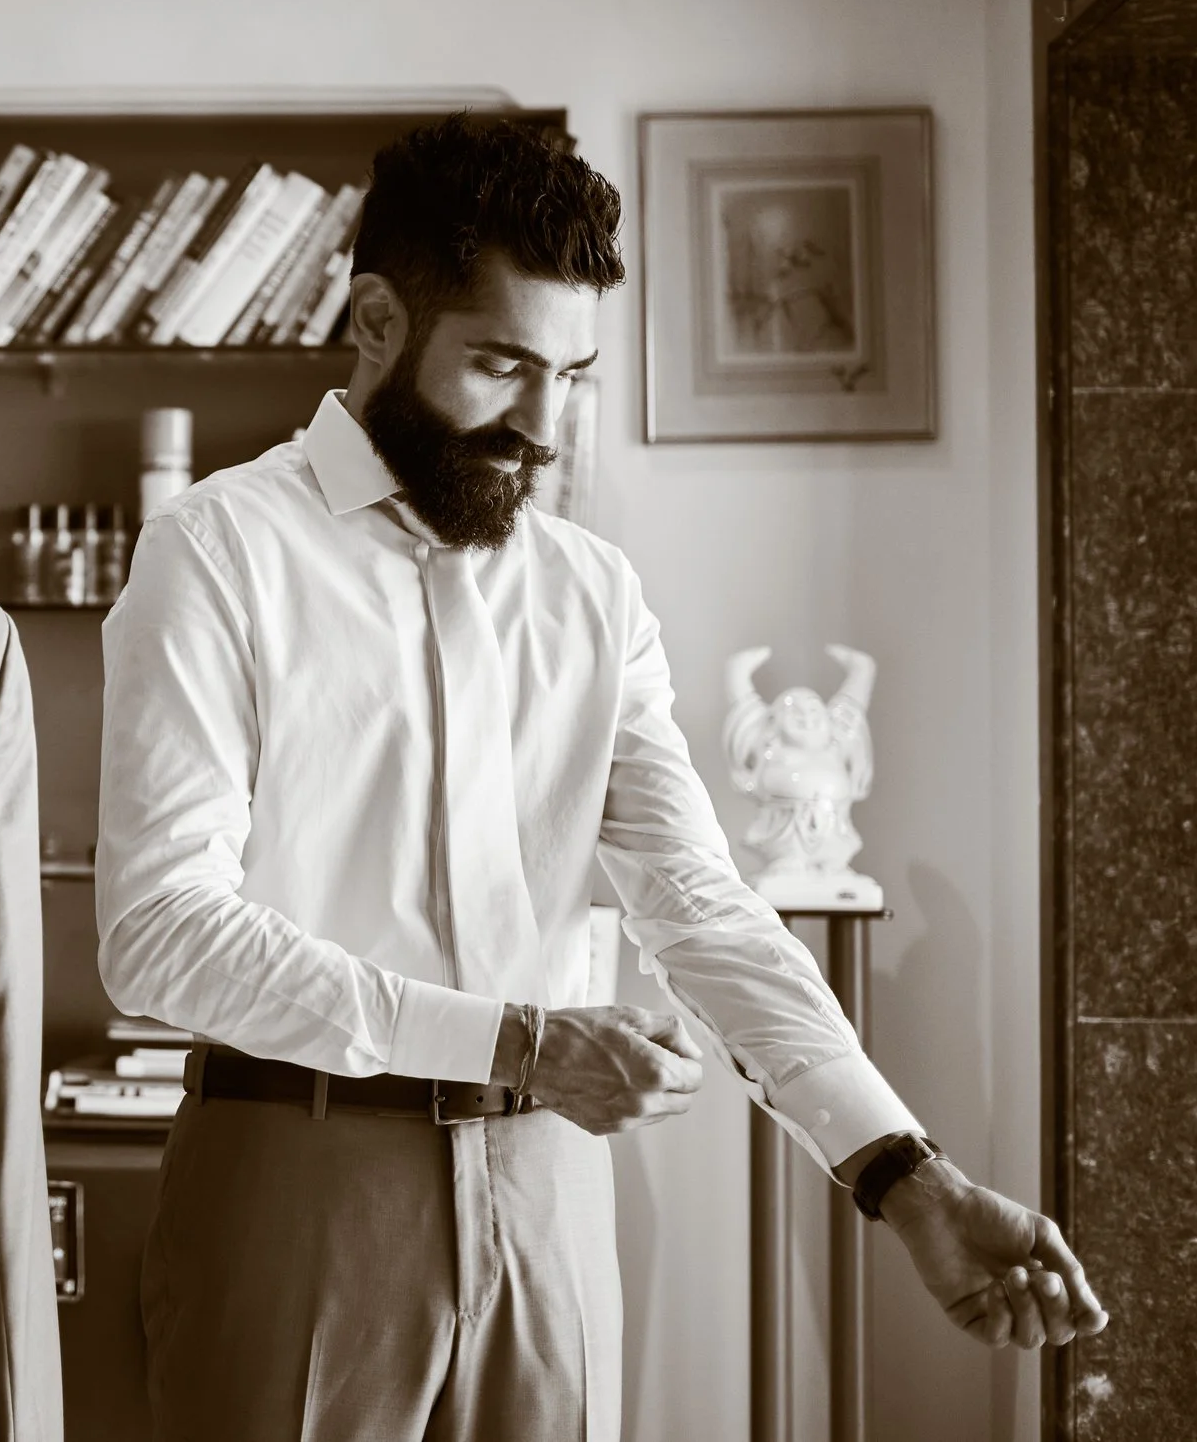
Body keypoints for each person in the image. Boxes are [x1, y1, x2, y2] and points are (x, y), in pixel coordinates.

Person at [95, 113, 1106, 1441]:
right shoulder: (216, 553)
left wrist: (903, 1176)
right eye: (502, 366)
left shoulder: (590, 593)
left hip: (541, 1191)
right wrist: (513, 1039)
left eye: (570, 375)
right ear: (379, 323)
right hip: (294, 1182)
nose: (542, 424)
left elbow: (697, 905)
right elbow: (160, 938)